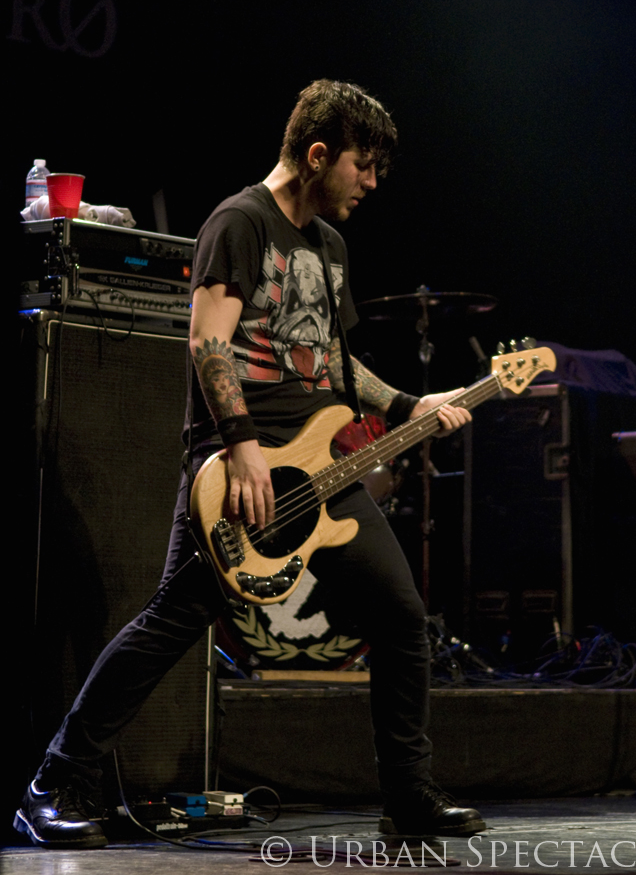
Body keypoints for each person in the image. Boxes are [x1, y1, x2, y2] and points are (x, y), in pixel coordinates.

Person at [16, 80, 487, 848]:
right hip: (239, 469)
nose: (371, 183)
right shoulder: (239, 223)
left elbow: (335, 365)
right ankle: (55, 780)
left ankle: (407, 795)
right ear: (317, 154)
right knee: (171, 623)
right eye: (363, 166)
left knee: (401, 617)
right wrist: (240, 448)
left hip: (322, 475)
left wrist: (410, 405)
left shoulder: (329, 247)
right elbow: (208, 342)